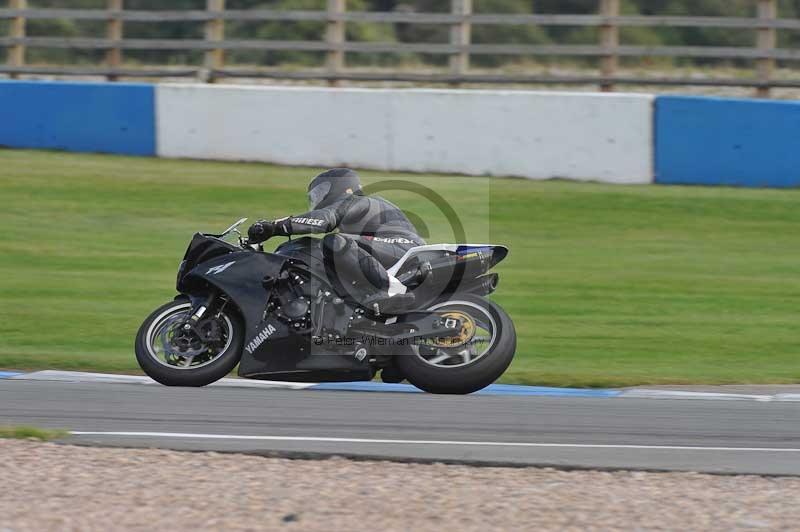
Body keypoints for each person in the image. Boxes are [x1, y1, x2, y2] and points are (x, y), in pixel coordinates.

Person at [247, 168, 424, 307]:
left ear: (342, 187)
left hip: (404, 247)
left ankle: (393, 290)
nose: (318, 199)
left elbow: (323, 220)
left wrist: (276, 226)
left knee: (335, 242)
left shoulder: (357, 201)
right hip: (388, 251)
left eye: (322, 192)